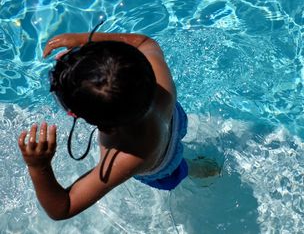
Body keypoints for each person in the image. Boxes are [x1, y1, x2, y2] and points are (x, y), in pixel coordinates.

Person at [17, 27, 188, 220]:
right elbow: (144, 43)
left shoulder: (126, 158)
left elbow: (62, 208)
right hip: (173, 119)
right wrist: (83, 38)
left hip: (163, 164)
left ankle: (199, 170)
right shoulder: (160, 82)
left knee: (179, 171)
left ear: (103, 126)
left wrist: (38, 166)